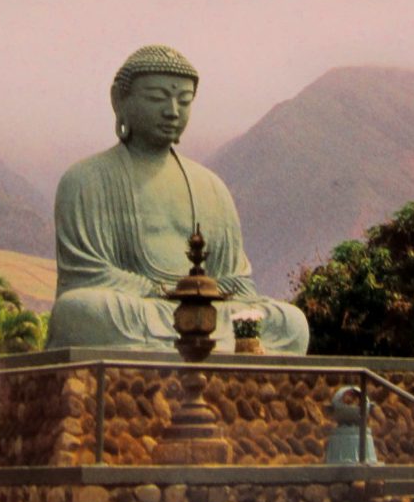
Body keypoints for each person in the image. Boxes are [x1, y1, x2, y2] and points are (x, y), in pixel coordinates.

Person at [45, 45, 309, 354]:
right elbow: (87, 275)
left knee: (292, 323)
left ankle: (195, 341)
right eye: (157, 98)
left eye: (184, 101)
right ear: (119, 100)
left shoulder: (211, 187)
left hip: (207, 316)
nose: (172, 111)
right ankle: (206, 345)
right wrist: (164, 293)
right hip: (136, 312)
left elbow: (238, 283)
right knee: (79, 311)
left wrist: (203, 297)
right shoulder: (85, 180)